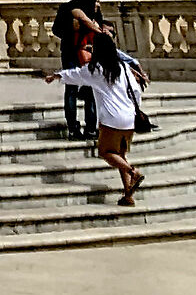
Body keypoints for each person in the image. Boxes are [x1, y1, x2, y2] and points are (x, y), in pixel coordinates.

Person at [44, 28, 145, 204]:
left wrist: (56, 75)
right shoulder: (123, 68)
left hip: (111, 119)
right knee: (120, 155)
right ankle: (128, 195)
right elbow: (136, 91)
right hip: (129, 118)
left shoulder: (96, 69)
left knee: (105, 152)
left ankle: (133, 172)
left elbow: (75, 75)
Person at [51, 0, 101, 140]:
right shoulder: (76, 8)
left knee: (75, 89)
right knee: (86, 90)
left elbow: (56, 30)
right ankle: (86, 127)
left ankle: (77, 127)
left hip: (77, 52)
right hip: (80, 52)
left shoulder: (85, 8)